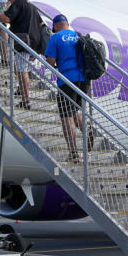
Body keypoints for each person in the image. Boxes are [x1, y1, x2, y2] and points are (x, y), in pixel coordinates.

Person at [0, 0, 41, 109]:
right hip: (33, 43)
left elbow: (6, 18)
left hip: (22, 42)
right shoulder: (32, 7)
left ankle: (25, 100)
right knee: (19, 68)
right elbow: (40, 24)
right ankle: (21, 89)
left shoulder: (19, 3)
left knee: (21, 70)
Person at [44, 14, 90, 162]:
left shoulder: (56, 37)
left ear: (56, 26)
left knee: (66, 116)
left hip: (67, 80)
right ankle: (86, 130)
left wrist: (56, 66)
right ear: (67, 24)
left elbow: (50, 60)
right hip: (83, 80)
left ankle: (73, 152)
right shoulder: (78, 36)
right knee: (74, 110)